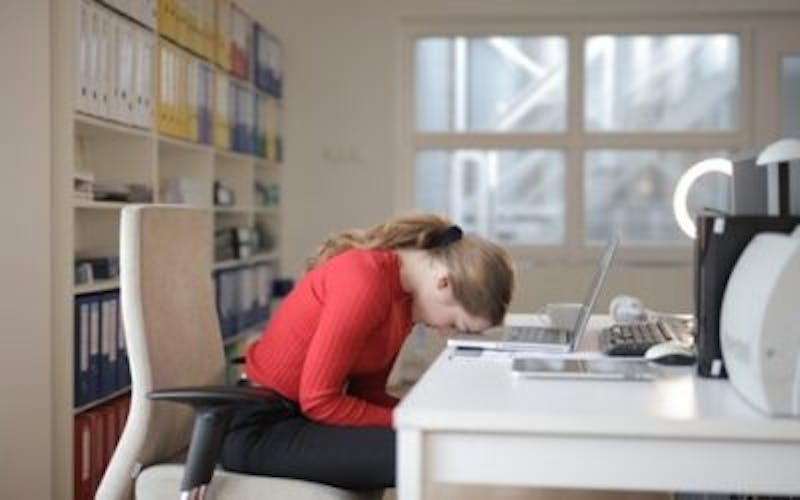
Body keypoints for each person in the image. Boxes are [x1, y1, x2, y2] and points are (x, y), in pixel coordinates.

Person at [221, 213, 515, 490]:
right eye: (454, 323)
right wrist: (415, 420)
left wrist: (428, 415)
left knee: (432, 443)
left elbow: (367, 395)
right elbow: (320, 401)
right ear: (444, 283)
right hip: (261, 428)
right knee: (422, 452)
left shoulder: (404, 301)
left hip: (299, 419)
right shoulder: (365, 281)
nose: (443, 332)